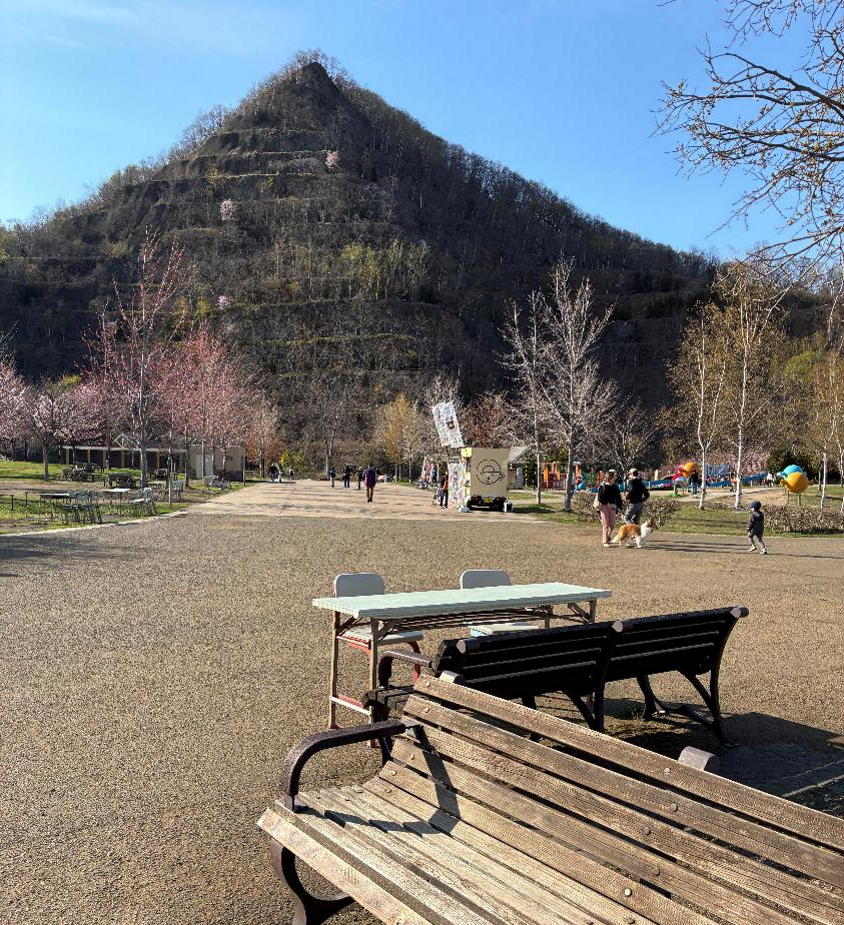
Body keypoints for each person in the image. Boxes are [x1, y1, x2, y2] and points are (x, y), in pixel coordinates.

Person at [597, 469, 623, 547]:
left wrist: (620, 507)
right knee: (605, 524)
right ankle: (605, 541)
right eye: (613, 478)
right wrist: (607, 503)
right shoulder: (603, 486)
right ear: (609, 478)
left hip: (613, 507)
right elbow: (600, 498)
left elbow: (618, 498)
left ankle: (607, 537)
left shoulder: (615, 487)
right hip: (604, 506)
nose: (614, 479)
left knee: (612, 525)